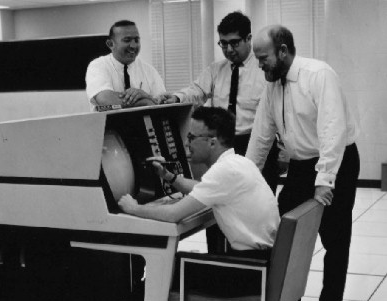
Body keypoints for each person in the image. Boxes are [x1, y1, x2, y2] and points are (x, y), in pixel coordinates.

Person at [246, 25, 360, 301]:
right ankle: (284, 295)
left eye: (263, 58)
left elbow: (333, 130)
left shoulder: (319, 75)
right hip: (300, 166)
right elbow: (261, 135)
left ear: (283, 51)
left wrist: (324, 181)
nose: (259, 65)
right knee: (283, 230)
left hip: (337, 162)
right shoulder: (272, 85)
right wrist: (246, 176)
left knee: (334, 238)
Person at [159, 11, 280, 254]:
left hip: (256, 143)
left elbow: (275, 116)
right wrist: (174, 97)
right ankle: (216, 259)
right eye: (223, 43)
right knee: (214, 206)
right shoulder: (216, 70)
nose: (228, 49)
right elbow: (196, 91)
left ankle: (244, 258)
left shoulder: (264, 73)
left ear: (248, 39)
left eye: (234, 42)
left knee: (247, 210)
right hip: (223, 144)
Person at [118, 106, 280, 255]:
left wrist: (133, 208)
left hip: (250, 264)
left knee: (174, 269)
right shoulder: (239, 162)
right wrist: (170, 177)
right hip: (265, 257)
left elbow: (173, 215)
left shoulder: (223, 171)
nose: (186, 143)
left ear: (212, 142)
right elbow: (202, 188)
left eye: (191, 137)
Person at [85, 20, 166, 111]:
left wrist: (145, 95)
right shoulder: (98, 66)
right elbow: (105, 99)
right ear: (110, 44)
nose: (133, 45)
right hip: (110, 124)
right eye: (127, 40)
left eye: (136, 40)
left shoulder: (149, 70)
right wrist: (145, 102)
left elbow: (162, 102)